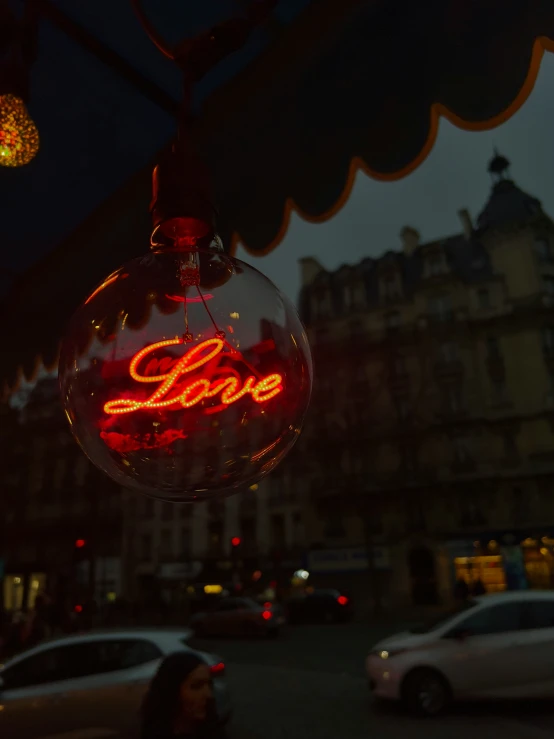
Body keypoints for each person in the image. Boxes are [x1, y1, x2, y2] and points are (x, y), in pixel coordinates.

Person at [141, 652, 227, 739]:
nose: (208, 694)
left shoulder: (212, 730)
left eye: (209, 684)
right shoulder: (155, 731)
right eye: (196, 686)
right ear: (172, 691)